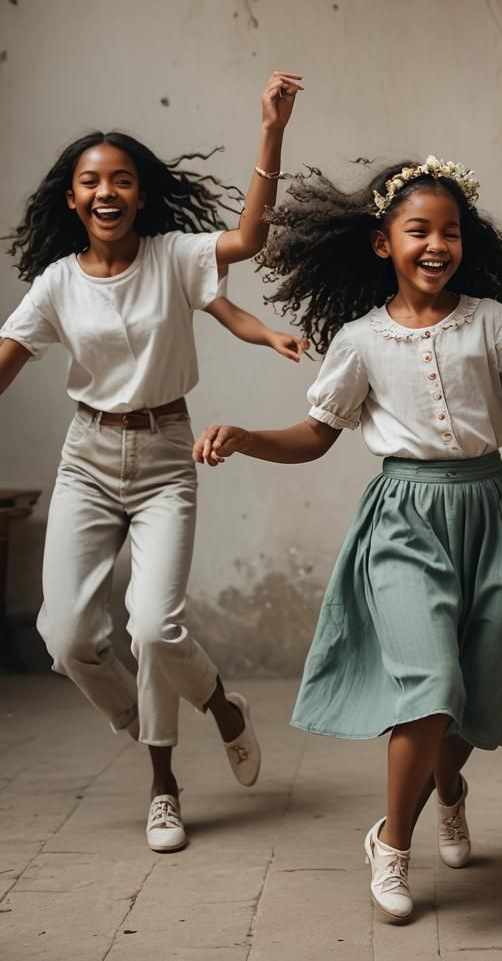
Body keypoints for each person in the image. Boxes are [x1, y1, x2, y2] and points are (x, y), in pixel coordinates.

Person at [192, 155, 502, 922]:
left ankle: (449, 785)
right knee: (430, 683)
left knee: (474, 693)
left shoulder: (494, 323)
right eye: (419, 230)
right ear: (384, 243)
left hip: (490, 511)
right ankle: (392, 842)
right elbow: (316, 437)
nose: (437, 243)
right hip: (405, 520)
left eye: (451, 231)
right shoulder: (359, 340)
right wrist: (246, 437)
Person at [0, 71, 305, 852]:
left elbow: (248, 242)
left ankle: (164, 786)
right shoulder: (55, 285)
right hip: (88, 456)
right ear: (72, 201)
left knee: (154, 628)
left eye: (121, 179)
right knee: (66, 635)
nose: (107, 191)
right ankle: (180, 712)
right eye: (91, 181)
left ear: (140, 195)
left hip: (167, 452)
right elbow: (5, 360)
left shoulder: (173, 255)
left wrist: (271, 128)